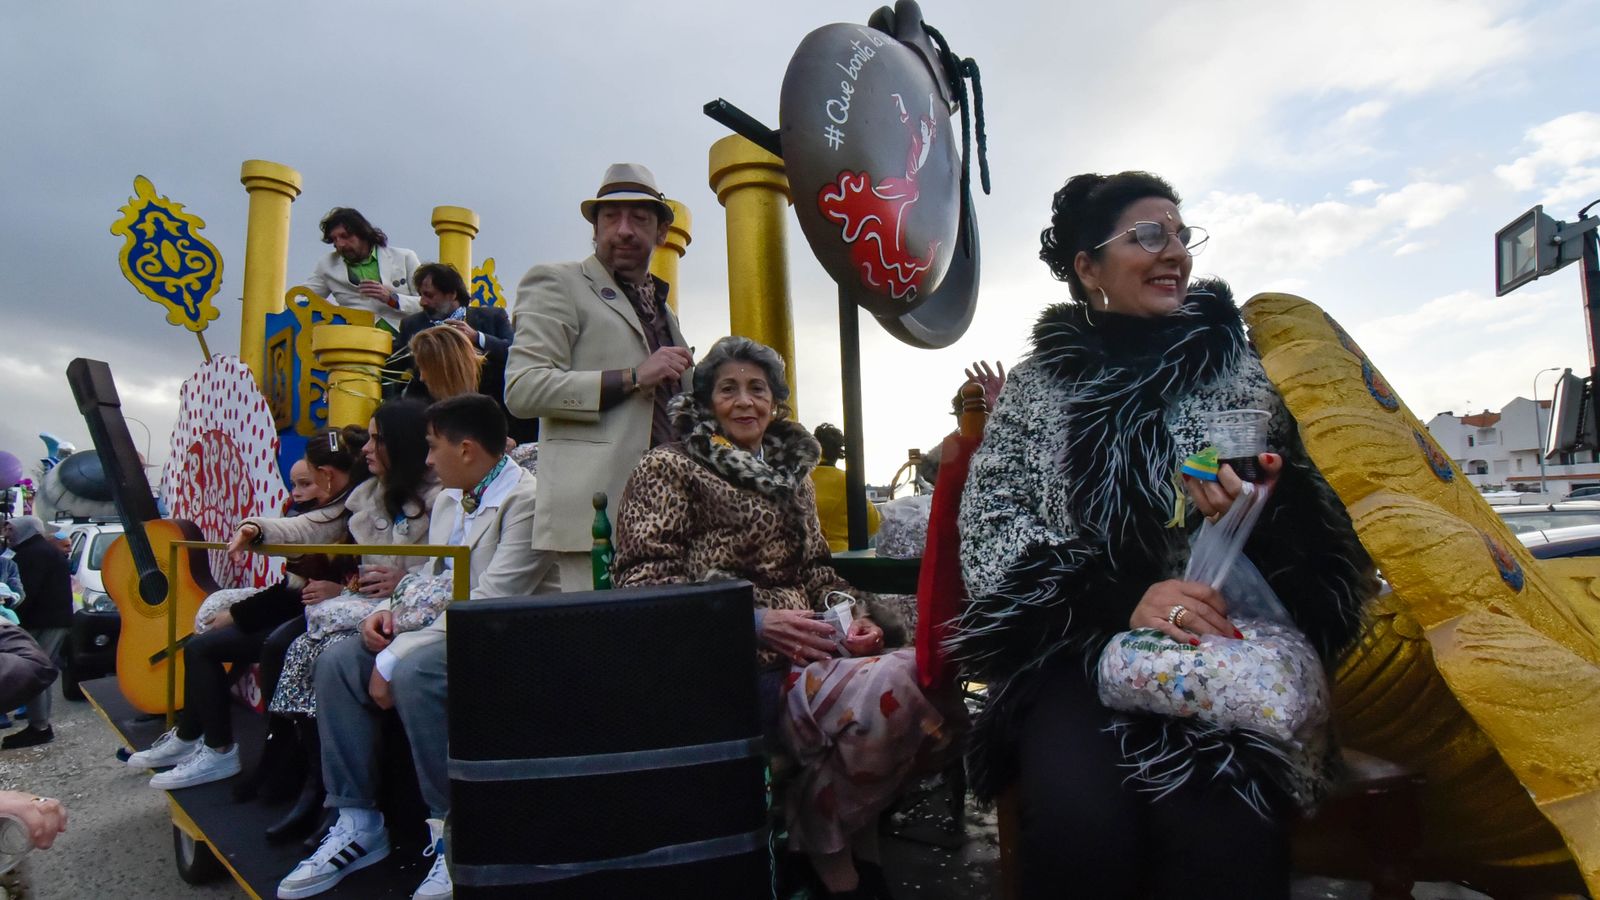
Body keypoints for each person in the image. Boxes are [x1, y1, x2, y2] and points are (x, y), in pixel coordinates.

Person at [949, 171, 1377, 899]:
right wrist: (1121, 601)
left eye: (1182, 235)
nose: (1173, 252)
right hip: (1072, 654)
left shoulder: (1242, 374)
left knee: (1222, 825)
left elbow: (1329, 538)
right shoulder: (1036, 385)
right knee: (1083, 819)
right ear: (1088, 267)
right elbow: (989, 528)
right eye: (1149, 235)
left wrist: (1262, 506)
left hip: (1222, 654)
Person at [613, 336, 947, 899]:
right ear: (705, 401)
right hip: (726, 665)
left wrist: (855, 617)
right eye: (728, 389)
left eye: (758, 389)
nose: (745, 402)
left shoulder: (793, 476)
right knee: (899, 690)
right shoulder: (669, 466)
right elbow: (642, 583)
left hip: (817, 652)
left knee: (935, 681)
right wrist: (754, 622)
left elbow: (819, 574)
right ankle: (838, 851)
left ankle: (821, 830)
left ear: (775, 402)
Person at [277, 393, 558, 900]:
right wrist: (390, 613)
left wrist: (394, 653)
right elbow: (431, 576)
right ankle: (359, 822)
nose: (426, 460)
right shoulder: (452, 497)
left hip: (506, 636)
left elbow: (491, 601)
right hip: (447, 625)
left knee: (414, 672)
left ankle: (455, 834)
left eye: (433, 447)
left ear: (467, 449)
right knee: (339, 659)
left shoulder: (528, 502)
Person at [505, 162, 694, 591]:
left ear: (661, 232)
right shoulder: (557, 282)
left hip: (674, 513)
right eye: (611, 217)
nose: (624, 230)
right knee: (606, 646)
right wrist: (633, 376)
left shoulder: (664, 312)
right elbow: (522, 389)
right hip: (599, 519)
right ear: (595, 227)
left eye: (639, 218)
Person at [124, 450, 351, 791]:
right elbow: (292, 587)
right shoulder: (313, 515)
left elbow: (298, 592)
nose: (298, 491)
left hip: (328, 619)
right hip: (304, 610)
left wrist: (236, 614)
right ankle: (199, 738)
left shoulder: (344, 516)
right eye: (295, 484)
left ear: (330, 477)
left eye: (307, 482)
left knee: (259, 646)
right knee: (202, 641)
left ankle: (275, 763)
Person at [397, 262, 534, 443]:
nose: (422, 302)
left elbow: (516, 354)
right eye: (421, 295)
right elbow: (402, 372)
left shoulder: (492, 317)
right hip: (440, 423)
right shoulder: (412, 325)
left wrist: (477, 337)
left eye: (429, 295)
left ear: (452, 294)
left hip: (499, 421)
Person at [1, 517, 71, 749]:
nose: (7, 533)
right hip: (50, 620)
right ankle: (39, 724)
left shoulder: (34, 554)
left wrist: (11, 617)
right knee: (39, 670)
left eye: (11, 529)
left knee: (34, 672)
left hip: (45, 622)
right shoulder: (37, 550)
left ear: (24, 530)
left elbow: (26, 593)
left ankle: (40, 727)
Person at [301, 208, 421, 331]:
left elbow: (430, 303)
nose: (340, 244)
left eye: (345, 236)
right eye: (334, 239)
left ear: (363, 233)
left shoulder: (404, 257)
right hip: (357, 342)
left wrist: (392, 298)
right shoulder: (327, 265)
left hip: (407, 341)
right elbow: (301, 298)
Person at [810, 423, 881, 553]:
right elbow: (872, 524)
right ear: (838, 453)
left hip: (801, 558)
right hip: (840, 558)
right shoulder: (848, 480)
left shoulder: (799, 479)